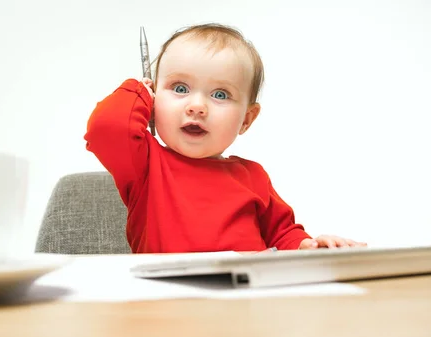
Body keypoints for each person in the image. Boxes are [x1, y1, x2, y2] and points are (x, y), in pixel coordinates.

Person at [84, 23, 367, 253]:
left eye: (220, 94)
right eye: (179, 88)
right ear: (155, 101)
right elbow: (106, 129)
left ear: (246, 119)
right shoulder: (145, 164)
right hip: (168, 302)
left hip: (244, 303)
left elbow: (282, 236)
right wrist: (139, 91)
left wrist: (309, 246)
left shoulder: (253, 176)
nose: (197, 106)